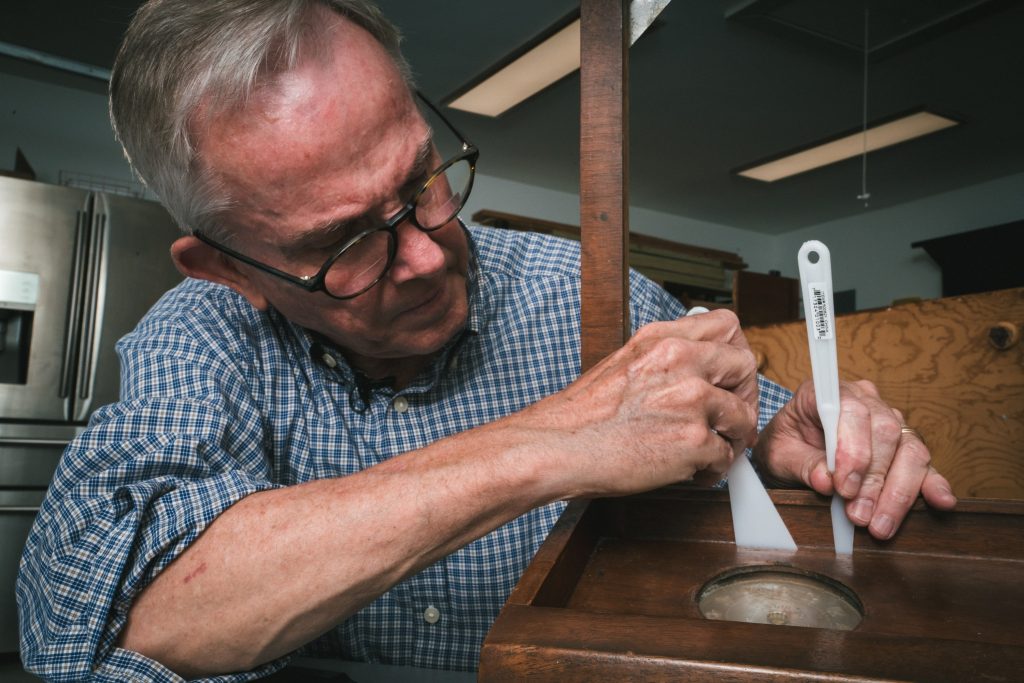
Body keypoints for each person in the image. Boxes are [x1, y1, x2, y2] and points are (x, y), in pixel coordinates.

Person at [17, 0, 957, 680]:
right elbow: (82, 626)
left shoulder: (592, 295)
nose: (424, 257)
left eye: (422, 181)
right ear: (228, 269)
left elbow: (752, 427)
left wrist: (791, 442)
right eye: (342, 246)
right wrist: (553, 440)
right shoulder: (200, 334)